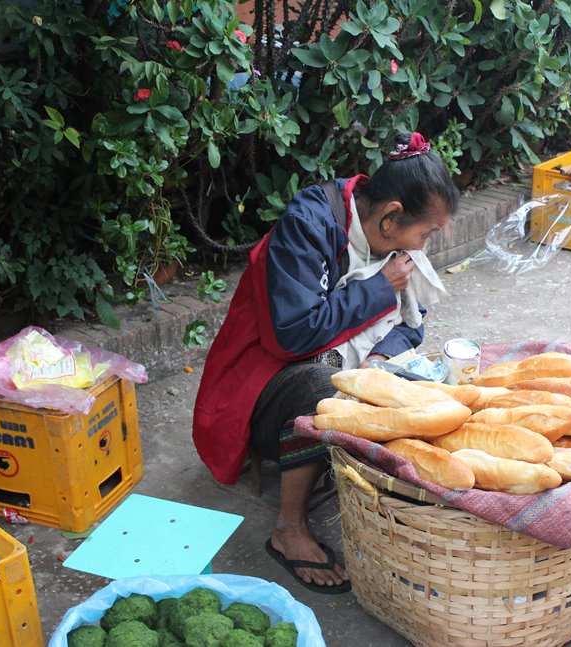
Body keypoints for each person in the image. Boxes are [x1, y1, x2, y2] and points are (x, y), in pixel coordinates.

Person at [192, 132, 459, 593]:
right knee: (326, 390)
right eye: (427, 232)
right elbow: (293, 333)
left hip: (328, 361)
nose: (425, 244)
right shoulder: (309, 225)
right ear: (392, 217)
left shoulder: (391, 240)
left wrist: (378, 359)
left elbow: (411, 324)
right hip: (261, 385)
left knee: (405, 380)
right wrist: (379, 288)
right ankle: (288, 529)